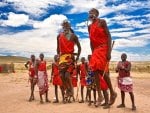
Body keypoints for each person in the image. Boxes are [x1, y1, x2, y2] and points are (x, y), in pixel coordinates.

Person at [88, 8, 117, 106]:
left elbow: (109, 36)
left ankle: (112, 93)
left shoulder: (102, 22)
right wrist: (93, 54)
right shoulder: (89, 27)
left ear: (97, 14)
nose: (90, 14)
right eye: (89, 12)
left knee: (100, 70)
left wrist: (109, 52)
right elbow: (91, 41)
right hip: (96, 50)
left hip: (104, 48)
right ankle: (100, 95)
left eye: (93, 12)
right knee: (94, 70)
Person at [57, 20, 81, 103]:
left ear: (69, 26)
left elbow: (79, 48)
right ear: (63, 26)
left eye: (67, 25)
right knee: (61, 75)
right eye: (64, 25)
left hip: (70, 57)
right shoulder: (59, 36)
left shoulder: (74, 36)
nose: (65, 27)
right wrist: (58, 57)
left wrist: (77, 57)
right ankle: (67, 89)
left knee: (67, 75)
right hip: (62, 58)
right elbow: (58, 49)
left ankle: (70, 90)